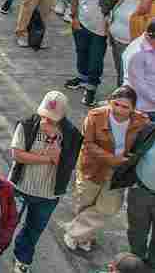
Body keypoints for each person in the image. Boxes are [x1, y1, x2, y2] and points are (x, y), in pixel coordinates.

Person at [63, 85, 148, 251]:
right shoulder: (95, 116)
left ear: (133, 108)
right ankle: (85, 236)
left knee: (109, 207)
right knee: (85, 204)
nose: (119, 109)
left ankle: (74, 232)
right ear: (109, 102)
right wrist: (115, 160)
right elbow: (88, 145)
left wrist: (128, 161)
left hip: (119, 173)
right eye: (116, 104)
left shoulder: (141, 121)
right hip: (92, 168)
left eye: (125, 107)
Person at [9, 90, 83, 273]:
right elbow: (17, 154)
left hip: (48, 194)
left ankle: (22, 257)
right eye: (45, 116)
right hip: (21, 187)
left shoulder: (72, 135)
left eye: (52, 118)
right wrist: (47, 159)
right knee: (7, 222)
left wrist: (58, 155)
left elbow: (70, 165)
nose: (47, 121)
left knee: (33, 229)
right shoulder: (27, 125)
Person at [69, 0, 129, 106]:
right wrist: (73, 17)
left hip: (101, 29)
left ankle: (91, 88)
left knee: (96, 59)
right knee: (81, 51)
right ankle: (82, 77)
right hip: (81, 23)